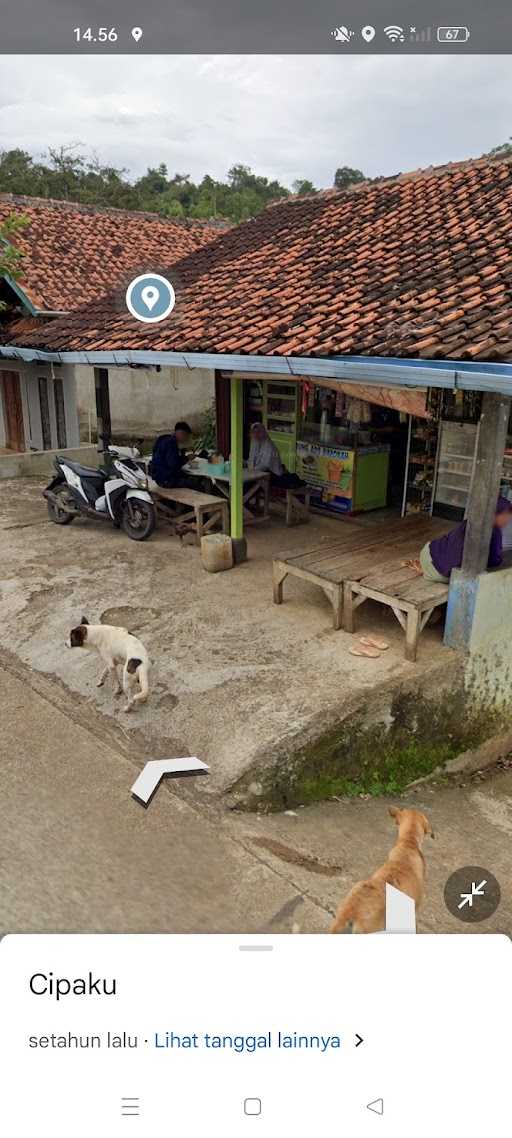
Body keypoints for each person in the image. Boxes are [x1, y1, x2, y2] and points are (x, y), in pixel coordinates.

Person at [415, 496, 512, 583]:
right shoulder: (490, 531)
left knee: (441, 544)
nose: (508, 519)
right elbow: (494, 560)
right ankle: (426, 569)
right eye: (505, 514)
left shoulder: (475, 523)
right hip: (443, 572)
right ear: (495, 513)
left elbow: (494, 560)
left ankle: (426, 568)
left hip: (436, 561)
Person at [248, 423, 306, 488]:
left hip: (273, 474)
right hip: (260, 472)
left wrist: (251, 470)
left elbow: (265, 465)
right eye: (254, 432)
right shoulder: (255, 443)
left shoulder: (269, 447)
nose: (256, 435)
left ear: (263, 432)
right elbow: (251, 458)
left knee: (250, 483)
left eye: (258, 432)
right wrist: (249, 467)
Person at [149, 421, 193, 488]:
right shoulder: (171, 444)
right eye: (186, 436)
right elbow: (173, 464)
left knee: (187, 477)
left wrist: (183, 454)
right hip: (166, 480)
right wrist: (186, 458)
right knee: (195, 485)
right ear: (181, 433)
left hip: (160, 476)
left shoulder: (166, 439)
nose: (186, 439)